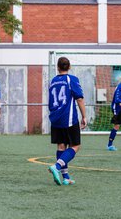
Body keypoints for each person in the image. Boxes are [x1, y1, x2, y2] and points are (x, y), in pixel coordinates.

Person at [48, 57, 87, 186]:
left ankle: (65, 177)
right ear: (69, 67)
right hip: (68, 118)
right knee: (75, 146)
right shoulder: (71, 79)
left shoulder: (53, 81)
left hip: (55, 118)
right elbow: (79, 99)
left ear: (58, 67)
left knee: (61, 146)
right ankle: (57, 167)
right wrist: (84, 116)